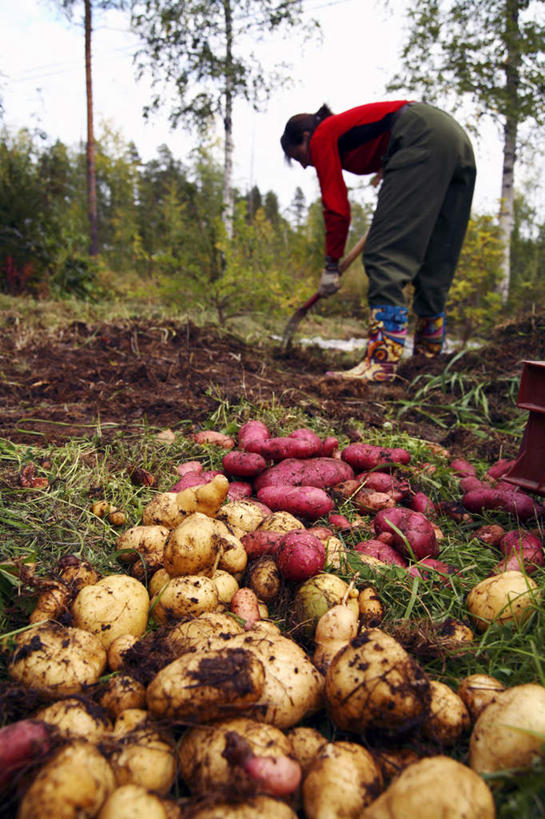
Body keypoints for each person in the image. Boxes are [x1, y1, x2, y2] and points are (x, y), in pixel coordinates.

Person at [280, 100, 476, 382]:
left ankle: (380, 365)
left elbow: (336, 207)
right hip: (455, 138)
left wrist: (331, 264)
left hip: (417, 133)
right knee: (438, 255)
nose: (305, 165)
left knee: (385, 254)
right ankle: (428, 366)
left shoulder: (323, 134)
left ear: (307, 138)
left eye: (299, 157)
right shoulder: (346, 130)